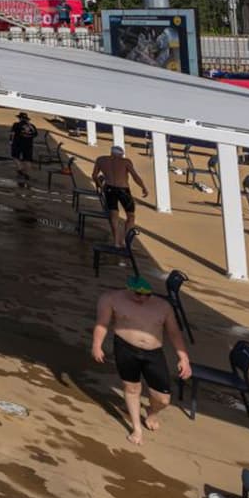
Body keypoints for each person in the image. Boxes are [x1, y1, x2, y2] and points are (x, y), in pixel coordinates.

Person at [90, 274, 191, 446]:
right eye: (138, 294)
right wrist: (96, 345)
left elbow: (174, 332)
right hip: (125, 348)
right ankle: (137, 428)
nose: (142, 298)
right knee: (132, 389)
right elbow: (102, 323)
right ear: (128, 289)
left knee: (163, 399)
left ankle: (152, 412)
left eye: (147, 295)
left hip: (153, 352)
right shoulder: (111, 299)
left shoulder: (163, 307)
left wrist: (183, 358)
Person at [92, 145, 147, 243]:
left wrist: (101, 186)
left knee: (114, 215)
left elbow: (94, 176)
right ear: (121, 154)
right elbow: (135, 176)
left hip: (109, 189)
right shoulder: (126, 162)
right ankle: (125, 240)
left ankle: (116, 242)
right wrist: (143, 187)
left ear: (111, 153)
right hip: (123, 190)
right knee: (131, 216)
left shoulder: (101, 160)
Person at [9, 114, 39, 186]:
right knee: (27, 159)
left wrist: (10, 141)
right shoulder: (32, 126)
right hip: (28, 144)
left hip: (17, 143)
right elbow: (35, 134)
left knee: (15, 156)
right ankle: (26, 173)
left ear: (20, 118)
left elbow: (12, 133)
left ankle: (20, 168)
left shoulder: (16, 125)